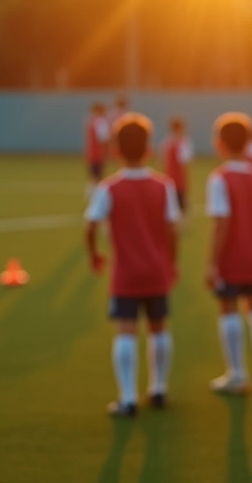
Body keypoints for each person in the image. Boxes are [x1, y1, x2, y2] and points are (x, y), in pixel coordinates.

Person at [86, 113, 181, 416]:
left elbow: (90, 225)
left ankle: (127, 398)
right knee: (159, 328)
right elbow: (172, 229)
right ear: (149, 148)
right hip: (156, 271)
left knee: (126, 331)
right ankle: (159, 389)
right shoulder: (163, 186)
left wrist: (95, 254)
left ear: (115, 150)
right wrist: (171, 263)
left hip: (125, 274)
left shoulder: (109, 188)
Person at [207, 112, 252, 395]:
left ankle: (237, 374)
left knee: (229, 309)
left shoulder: (219, 178)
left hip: (230, 258)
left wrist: (212, 263)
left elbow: (221, 224)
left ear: (220, 144)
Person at [161, 116, 194, 214]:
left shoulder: (167, 142)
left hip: (170, 177)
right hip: (178, 179)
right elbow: (185, 161)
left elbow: (163, 160)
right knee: (180, 206)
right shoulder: (183, 142)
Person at [85, 102, 110, 188]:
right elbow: (103, 138)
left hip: (92, 152)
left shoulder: (92, 121)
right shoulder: (101, 121)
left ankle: (93, 191)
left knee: (94, 176)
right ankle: (96, 192)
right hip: (98, 153)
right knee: (98, 177)